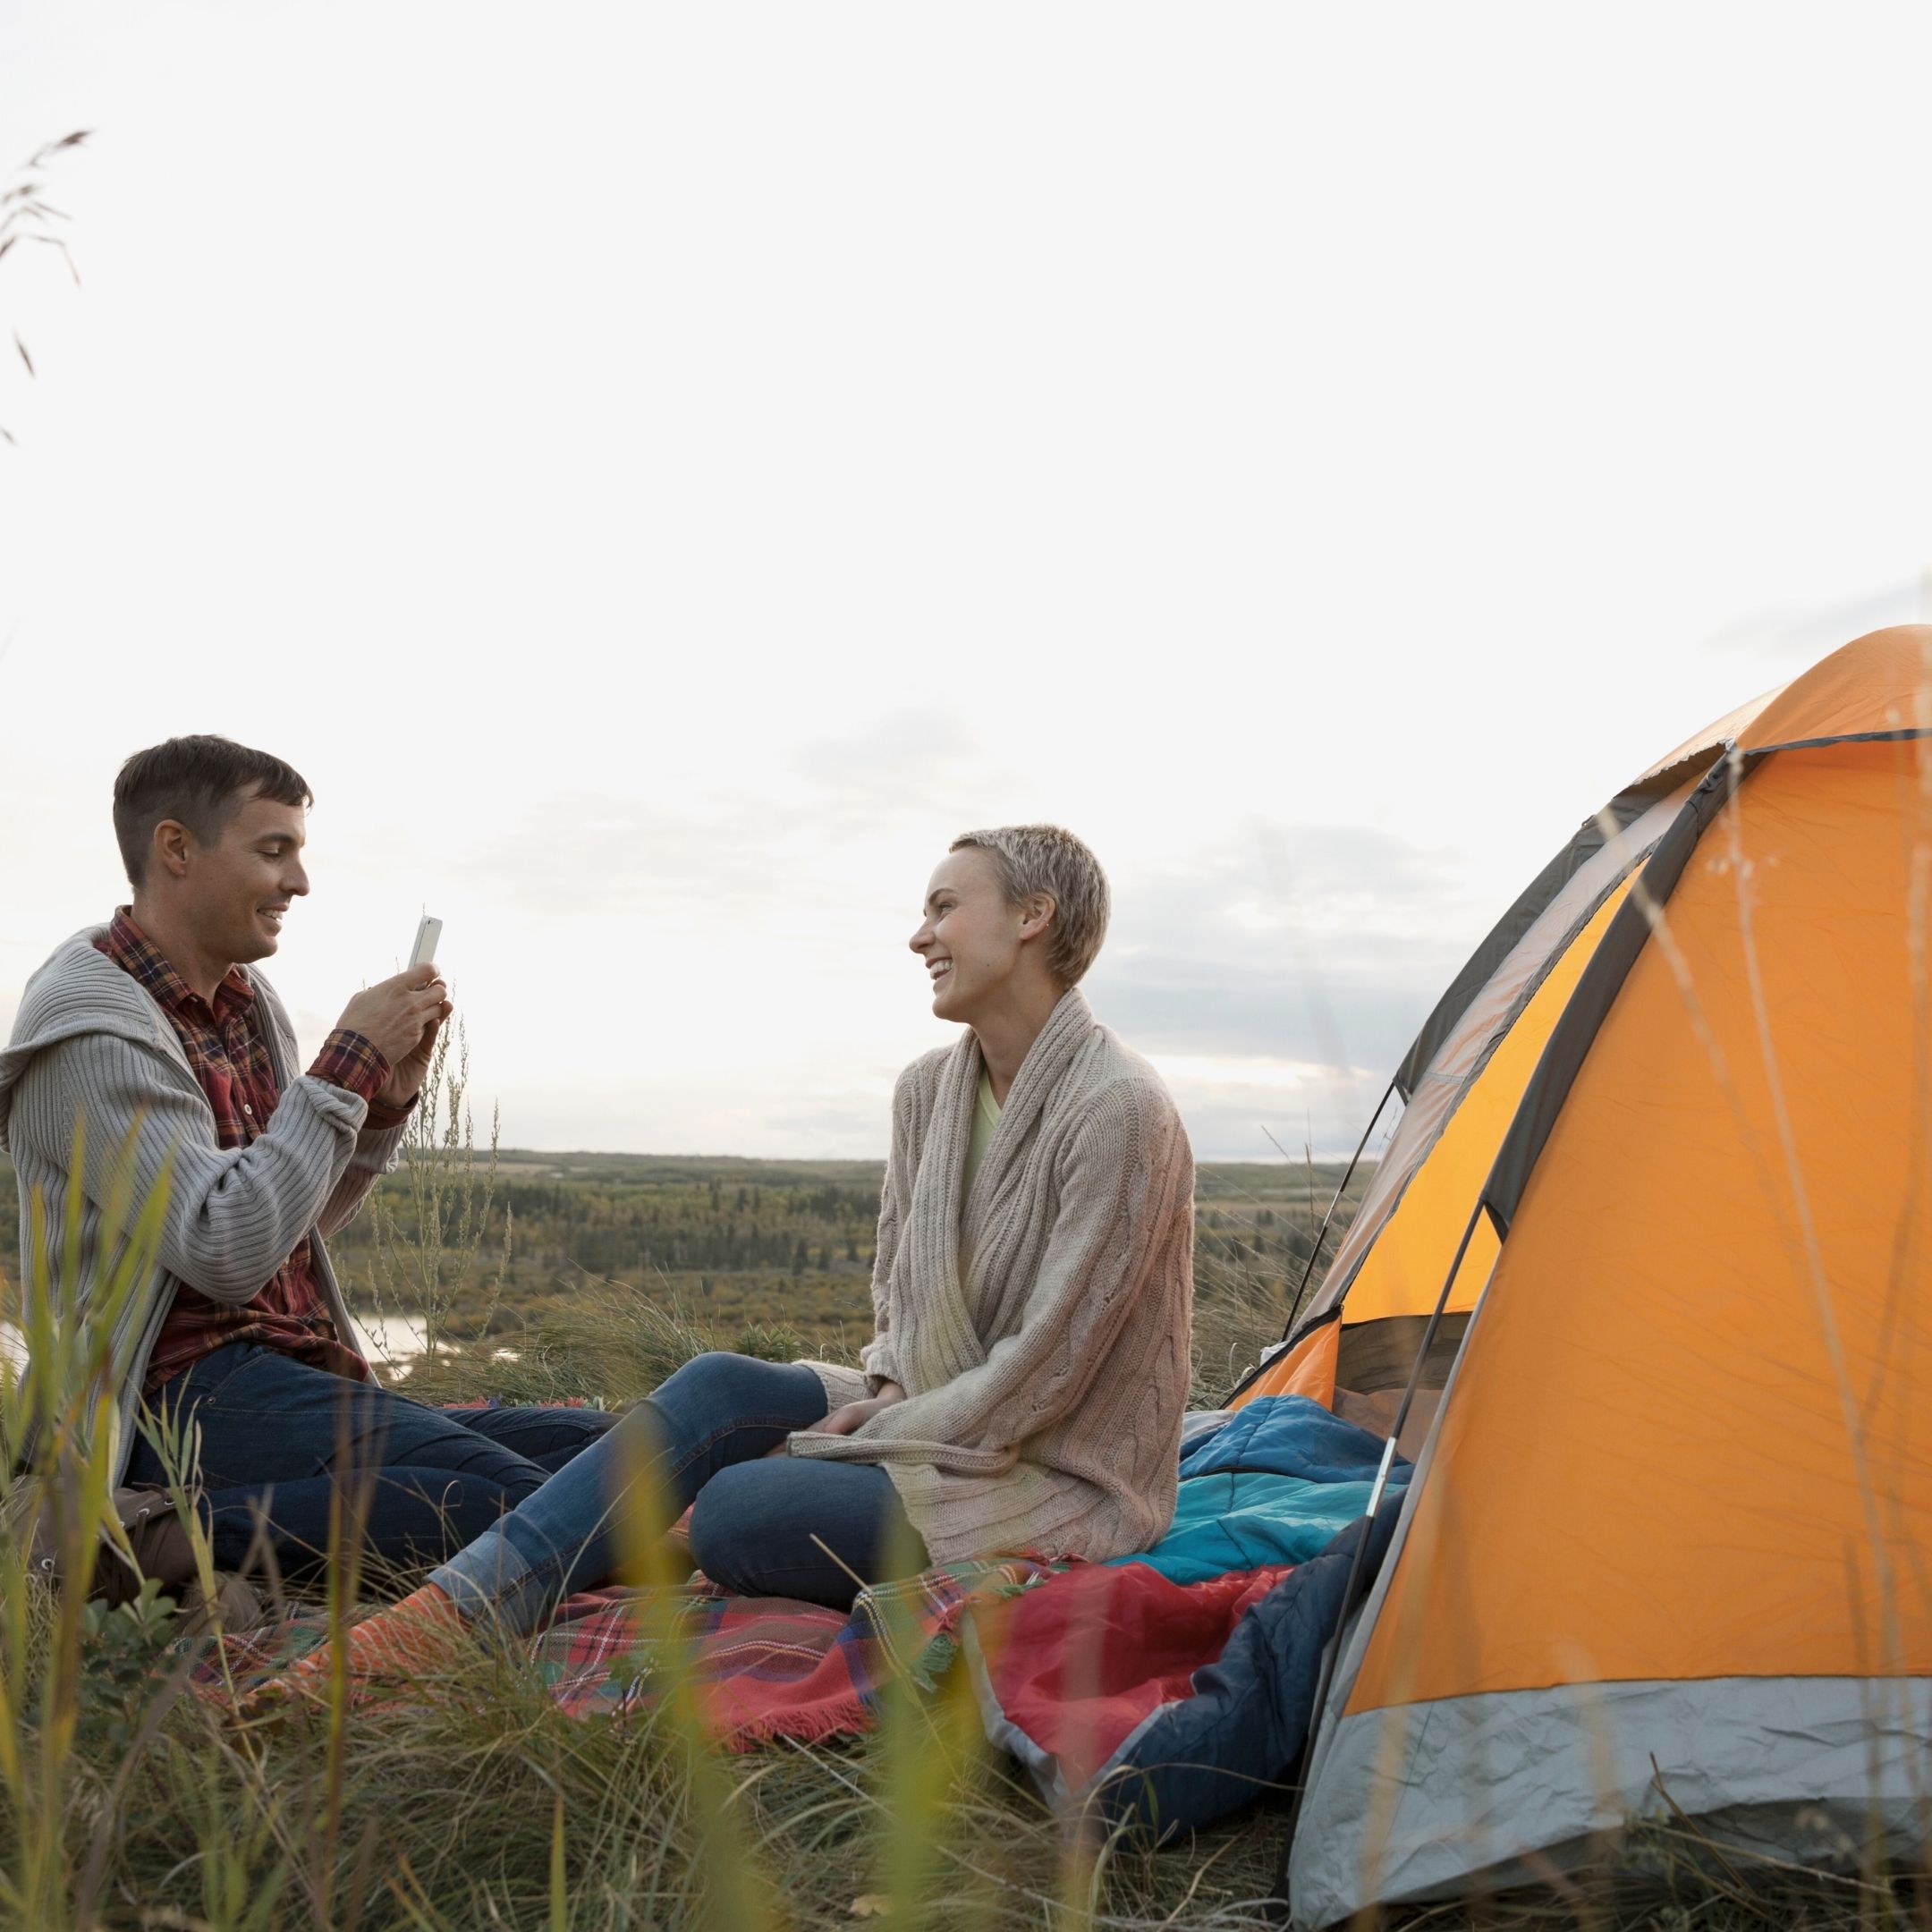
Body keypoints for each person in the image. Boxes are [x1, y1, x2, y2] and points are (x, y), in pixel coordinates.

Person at [272, 823, 1195, 1694]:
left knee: (738, 1511)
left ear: (1033, 918)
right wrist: (881, 1392)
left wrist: (867, 1434)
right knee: (716, 1385)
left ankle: (612, 1538)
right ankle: (440, 1620)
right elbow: (898, 1294)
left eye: (946, 907)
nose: (921, 937)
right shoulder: (929, 1091)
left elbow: (1051, 1371)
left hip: (1051, 1467)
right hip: (930, 1411)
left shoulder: (1117, 1108)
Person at [0, 735, 616, 1602]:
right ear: (176, 850)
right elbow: (226, 1250)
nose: (299, 882)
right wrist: (343, 1070)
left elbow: (283, 1226)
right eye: (273, 850)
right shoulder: (90, 1035)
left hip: (284, 1371)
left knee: (625, 1450)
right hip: (166, 1399)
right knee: (522, 1500)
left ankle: (239, 1520)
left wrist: (377, 1109)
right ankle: (145, 1539)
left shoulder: (247, 1006)